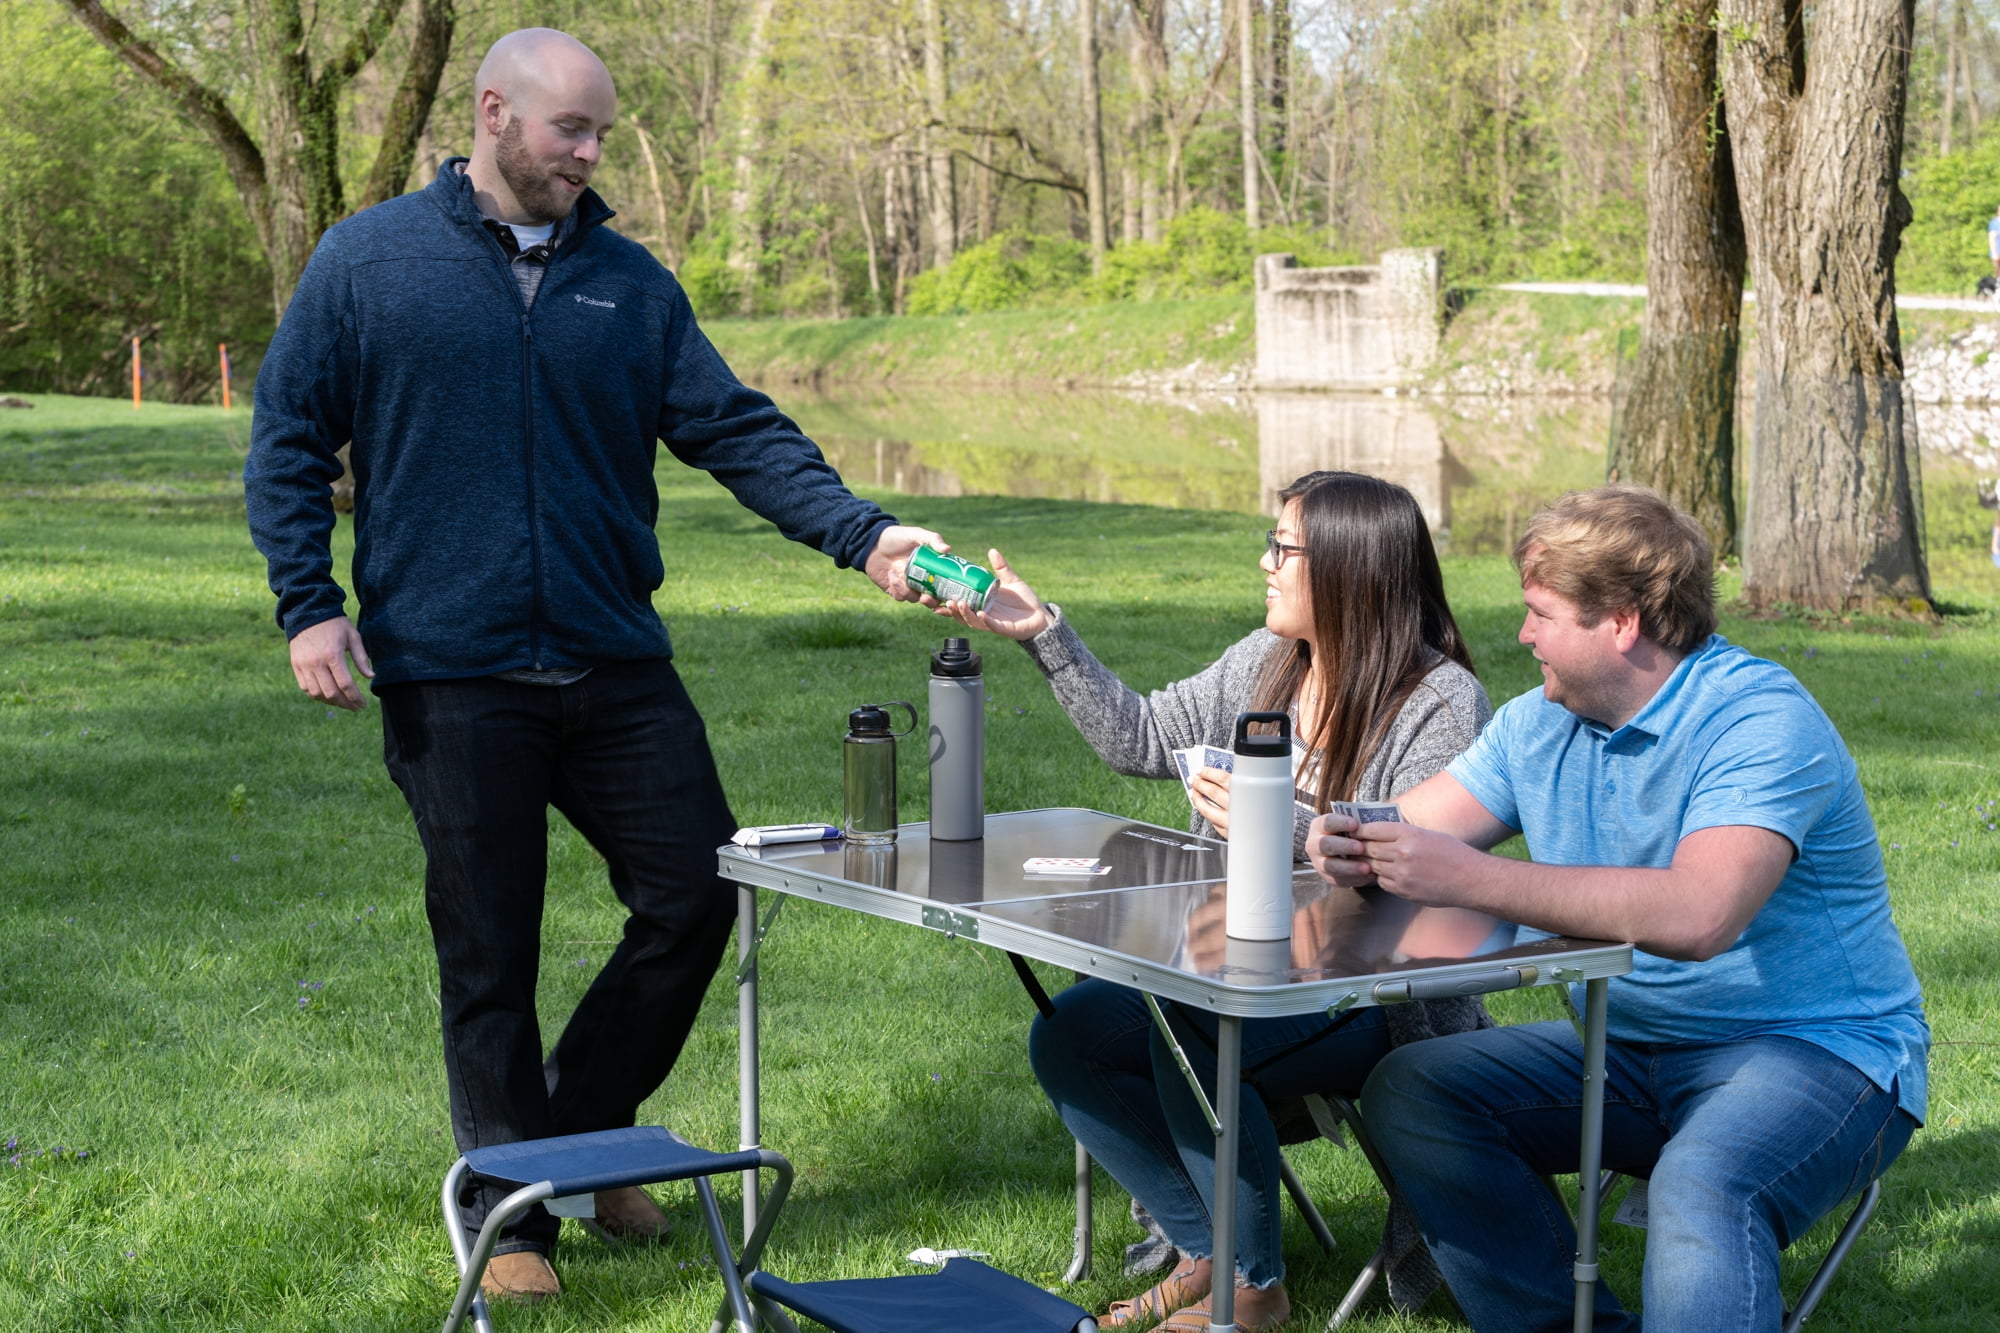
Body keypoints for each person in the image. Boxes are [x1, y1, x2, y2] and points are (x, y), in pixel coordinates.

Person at [244, 29, 944, 1303]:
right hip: (450, 668)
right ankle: (511, 1223)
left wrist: (864, 535)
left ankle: (573, 1141)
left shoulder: (629, 284)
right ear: (493, 112)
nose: (589, 154)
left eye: (601, 133)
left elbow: (734, 428)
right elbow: (289, 435)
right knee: (488, 946)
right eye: (571, 128)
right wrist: (310, 606)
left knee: (698, 890)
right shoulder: (368, 261)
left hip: (612, 659)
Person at [1309, 485, 1929, 1332]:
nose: (1522, 635)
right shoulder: (1538, 724)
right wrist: (1346, 838)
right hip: (1630, 1049)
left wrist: (1469, 876)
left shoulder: (1760, 721)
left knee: (1704, 1180)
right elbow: (1412, 825)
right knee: (1416, 1090)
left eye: (1541, 613)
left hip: (1818, 1053)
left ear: (1623, 623)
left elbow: (1701, 915)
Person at [946, 471, 1492, 1331]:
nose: (1265, 562)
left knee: (1192, 1018)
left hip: (1375, 997)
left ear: (1349, 566)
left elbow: (1414, 871)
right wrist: (1044, 632)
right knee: (1071, 1034)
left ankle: (1254, 1284)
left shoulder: (1440, 703)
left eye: (1283, 547)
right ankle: (1203, 1245)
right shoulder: (1267, 663)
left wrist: (1277, 825)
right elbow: (1140, 737)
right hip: (1234, 963)